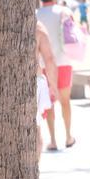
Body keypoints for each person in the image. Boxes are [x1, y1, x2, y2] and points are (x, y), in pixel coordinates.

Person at [37, 0, 77, 150]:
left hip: (43, 65)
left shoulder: (35, 14)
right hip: (64, 61)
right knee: (65, 101)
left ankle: (53, 140)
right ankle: (68, 136)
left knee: (49, 102)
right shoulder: (64, 11)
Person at [36, 21, 58, 155]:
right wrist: (53, 85)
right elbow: (49, 59)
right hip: (35, 79)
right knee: (35, 128)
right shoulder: (38, 27)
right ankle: (34, 171)